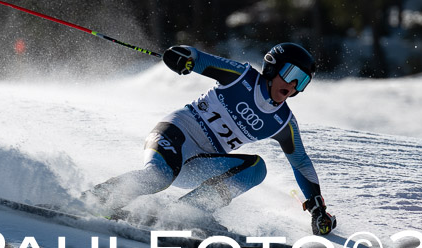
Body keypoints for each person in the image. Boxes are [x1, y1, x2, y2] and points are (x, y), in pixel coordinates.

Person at [85, 42, 336, 235]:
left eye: (302, 81)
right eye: (291, 73)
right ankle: (96, 199)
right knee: (159, 177)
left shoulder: (283, 122)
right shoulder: (241, 76)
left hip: (199, 163)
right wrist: (184, 57)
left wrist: (317, 208)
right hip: (175, 135)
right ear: (273, 66)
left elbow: (300, 162)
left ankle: (185, 213)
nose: (293, 85)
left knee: (257, 169)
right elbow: (199, 59)